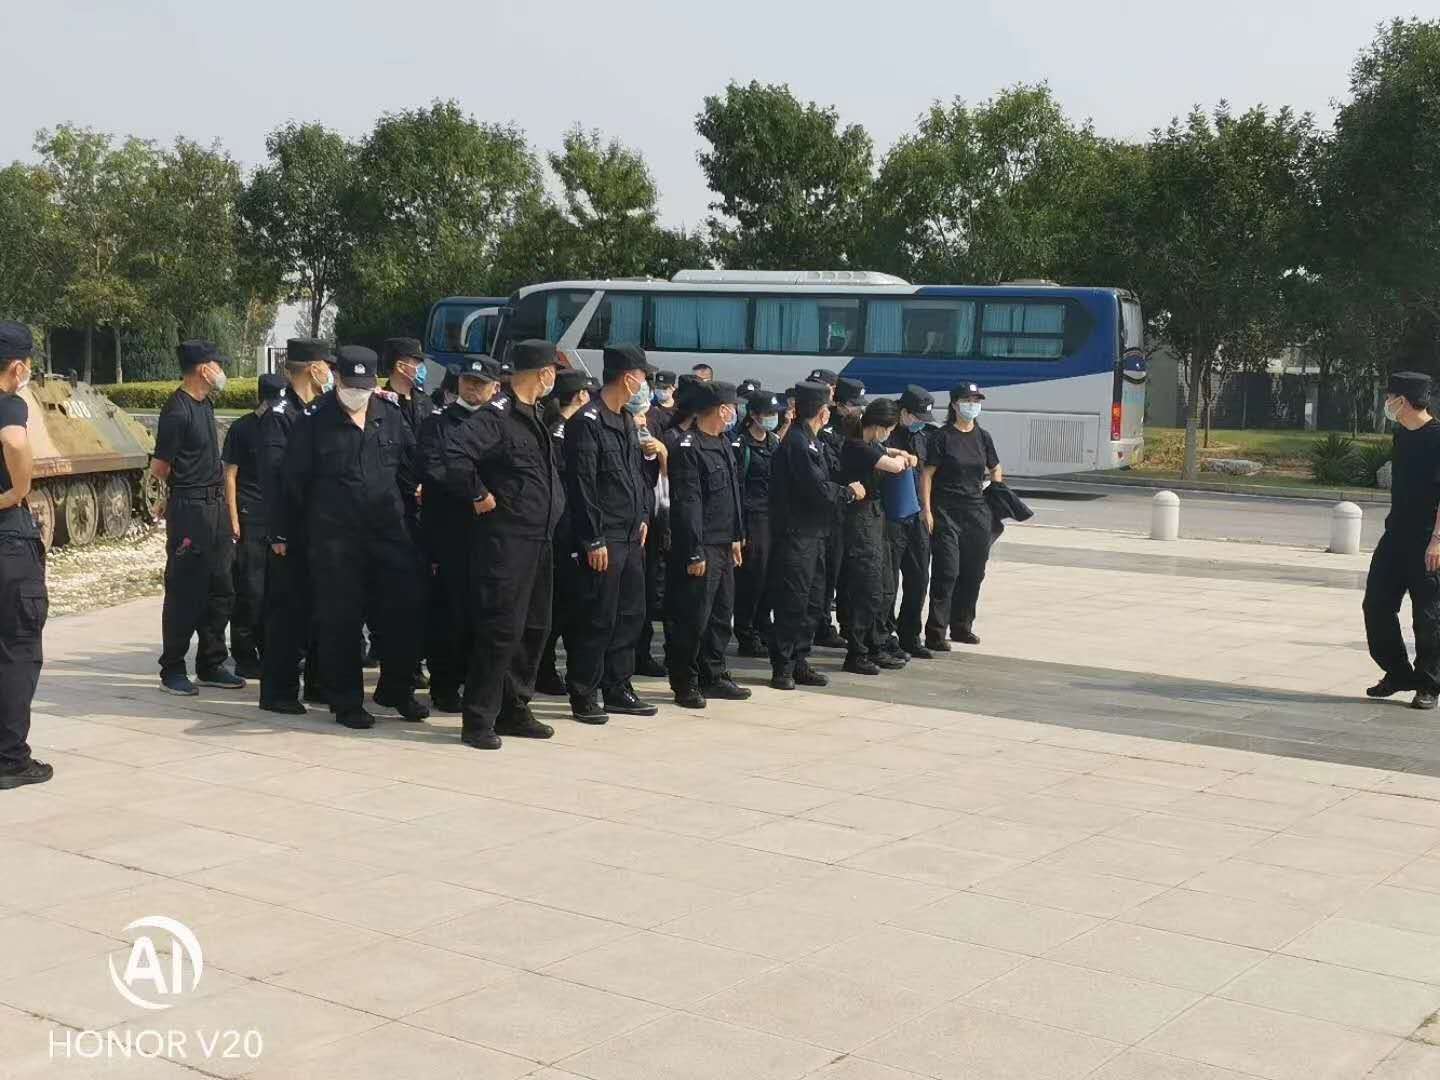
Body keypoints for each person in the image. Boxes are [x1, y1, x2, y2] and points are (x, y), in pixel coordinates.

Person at [285, 346, 427, 728]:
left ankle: (397, 690)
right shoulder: (313, 421)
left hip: (388, 533)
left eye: (364, 387)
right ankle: (346, 701)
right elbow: (294, 483)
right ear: (337, 379)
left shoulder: (390, 416)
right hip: (336, 539)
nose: (357, 393)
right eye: (350, 385)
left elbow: (410, 469)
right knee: (341, 621)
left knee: (403, 613)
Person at [444, 340, 563, 750]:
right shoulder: (498, 415)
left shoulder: (535, 415)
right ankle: (478, 718)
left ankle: (515, 708)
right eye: (553, 372)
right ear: (542, 373)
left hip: (539, 539)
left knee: (534, 628)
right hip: (506, 540)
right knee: (501, 630)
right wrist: (477, 493)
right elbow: (454, 452)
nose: (554, 380)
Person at [562, 346, 659, 722]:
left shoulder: (625, 420)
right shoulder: (587, 421)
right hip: (604, 537)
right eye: (643, 377)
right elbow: (583, 486)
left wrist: (643, 515)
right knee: (597, 617)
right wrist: (593, 538)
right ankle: (584, 692)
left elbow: (635, 475)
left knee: (630, 613)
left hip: (631, 534)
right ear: (628, 378)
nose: (645, 384)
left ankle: (618, 686)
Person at [152, 341, 242, 696]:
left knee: (222, 586)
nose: (221, 371)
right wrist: (172, 495)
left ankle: (211, 662)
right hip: (190, 508)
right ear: (203, 369)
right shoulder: (177, 410)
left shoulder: (205, 404)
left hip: (215, 506)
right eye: (217, 365)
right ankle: (173, 668)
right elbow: (160, 467)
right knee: (185, 588)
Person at [767, 381, 864, 691]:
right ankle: (783, 666)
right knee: (793, 601)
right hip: (796, 535)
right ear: (822, 412)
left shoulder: (813, 440)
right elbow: (817, 488)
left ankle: (799, 660)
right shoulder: (797, 443)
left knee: (813, 601)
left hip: (816, 534)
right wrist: (848, 493)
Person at [419, 355, 503, 713]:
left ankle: (476, 683)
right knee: (449, 612)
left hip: (492, 532)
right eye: (467, 381)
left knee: (484, 613)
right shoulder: (439, 423)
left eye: (480, 383)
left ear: (495, 387)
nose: (471, 388)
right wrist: (474, 492)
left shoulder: (501, 423)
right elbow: (434, 467)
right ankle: (444, 684)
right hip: (451, 529)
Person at [257, 339, 333, 714]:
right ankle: (279, 691)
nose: (330, 372)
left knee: (319, 608)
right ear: (313, 368)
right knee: (287, 612)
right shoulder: (279, 414)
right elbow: (273, 479)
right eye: (326, 365)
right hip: (290, 528)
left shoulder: (320, 408)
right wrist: (279, 531)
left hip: (319, 526)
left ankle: (318, 683)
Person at [665, 380, 748, 708]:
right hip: (702, 545)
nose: (735, 412)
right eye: (732, 407)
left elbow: (732, 495)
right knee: (693, 617)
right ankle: (685, 682)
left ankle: (713, 675)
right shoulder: (688, 447)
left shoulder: (723, 442)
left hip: (723, 543)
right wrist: (694, 550)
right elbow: (688, 503)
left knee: (720, 615)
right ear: (721, 409)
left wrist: (736, 537)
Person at [1365, 371, 1440, 710]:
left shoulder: (1437, 437)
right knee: (1376, 605)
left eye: (1389, 397)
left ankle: (1429, 685)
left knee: (1428, 616)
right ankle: (1398, 673)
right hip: (1395, 535)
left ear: (1403, 401)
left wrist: (1437, 540)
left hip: (1429, 539)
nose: (1386, 403)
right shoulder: (1402, 434)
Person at [0, 323, 51, 789]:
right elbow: (14, 441)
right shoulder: (9, 402)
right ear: (17, 367)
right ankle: (10, 759)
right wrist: (17, 490)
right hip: (8, 539)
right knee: (17, 649)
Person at [922, 383, 1001, 651]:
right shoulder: (942, 437)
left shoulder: (983, 436)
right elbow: (927, 474)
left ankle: (962, 626)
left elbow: (995, 467)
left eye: (976, 400)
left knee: (974, 572)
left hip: (976, 512)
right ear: (955, 404)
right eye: (967, 400)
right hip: (946, 511)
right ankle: (936, 632)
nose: (972, 405)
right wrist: (927, 510)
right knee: (947, 571)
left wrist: (995, 492)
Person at [840, 398, 916, 674]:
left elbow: (887, 451)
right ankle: (857, 652)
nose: (889, 435)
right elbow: (893, 466)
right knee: (866, 587)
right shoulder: (857, 446)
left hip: (874, 517)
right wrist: (903, 459)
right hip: (860, 520)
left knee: (883, 584)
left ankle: (875, 644)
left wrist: (900, 452)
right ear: (880, 426)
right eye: (889, 429)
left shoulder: (871, 444)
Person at [536, 368, 595, 697]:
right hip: (563, 529)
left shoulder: (569, 427)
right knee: (559, 607)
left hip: (571, 526)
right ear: (580, 396)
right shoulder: (561, 431)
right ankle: (543, 669)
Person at [222, 372, 284, 679]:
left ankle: (270, 649)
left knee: (274, 590)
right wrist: (233, 517)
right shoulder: (242, 428)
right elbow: (230, 474)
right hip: (250, 514)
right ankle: (244, 656)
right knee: (250, 589)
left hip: (277, 516)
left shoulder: (285, 426)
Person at [883, 385, 937, 660]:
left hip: (916, 515)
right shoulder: (887, 430)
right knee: (889, 581)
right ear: (903, 412)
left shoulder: (925, 435)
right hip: (892, 516)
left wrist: (927, 510)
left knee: (919, 577)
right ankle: (885, 635)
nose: (920, 423)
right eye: (917, 417)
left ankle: (910, 634)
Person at [732, 391, 782, 658]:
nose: (773, 418)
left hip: (772, 517)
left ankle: (763, 624)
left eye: (775, 413)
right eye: (768, 414)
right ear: (753, 415)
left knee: (770, 577)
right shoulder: (741, 445)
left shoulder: (774, 441)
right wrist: (738, 529)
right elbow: (737, 488)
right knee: (752, 578)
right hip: (752, 517)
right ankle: (745, 631)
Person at [648, 370, 679, 436]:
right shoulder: (650, 406)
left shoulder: (679, 406)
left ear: (673, 388)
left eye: (664, 387)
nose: (661, 390)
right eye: (658, 386)